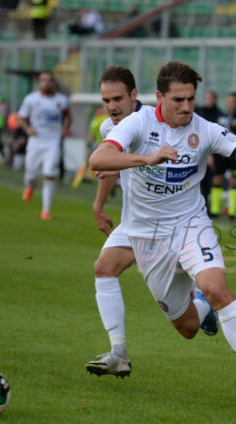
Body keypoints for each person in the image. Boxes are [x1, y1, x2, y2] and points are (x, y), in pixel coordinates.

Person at [89, 61, 236, 409]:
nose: (186, 107)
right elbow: (98, 160)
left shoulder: (205, 129)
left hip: (190, 225)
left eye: (190, 99)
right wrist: (147, 159)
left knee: (216, 287)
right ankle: (200, 310)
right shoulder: (138, 123)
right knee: (188, 328)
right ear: (159, 97)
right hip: (146, 236)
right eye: (178, 100)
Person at [84, 66, 149, 378]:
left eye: (118, 99)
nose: (111, 106)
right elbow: (109, 166)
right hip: (135, 220)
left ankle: (231, 313)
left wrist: (123, 166)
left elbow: (167, 166)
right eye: (106, 100)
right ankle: (119, 354)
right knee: (104, 268)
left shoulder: (154, 122)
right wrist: (98, 205)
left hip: (168, 222)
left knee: (187, 320)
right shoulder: (108, 128)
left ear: (134, 95)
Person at [17, 71, 71, 220]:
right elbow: (20, 118)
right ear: (39, 83)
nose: (46, 83)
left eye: (49, 80)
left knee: (49, 174)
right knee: (30, 172)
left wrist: (65, 128)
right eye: (43, 80)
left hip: (52, 142)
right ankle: (31, 184)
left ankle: (46, 210)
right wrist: (28, 129)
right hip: (35, 141)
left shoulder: (62, 100)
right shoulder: (31, 99)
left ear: (53, 83)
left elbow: (68, 117)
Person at [210, 91, 236, 219]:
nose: (230, 103)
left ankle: (232, 210)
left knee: (233, 179)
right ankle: (214, 209)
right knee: (217, 178)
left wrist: (232, 135)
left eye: (233, 101)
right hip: (220, 154)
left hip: (235, 154)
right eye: (229, 101)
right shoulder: (221, 116)